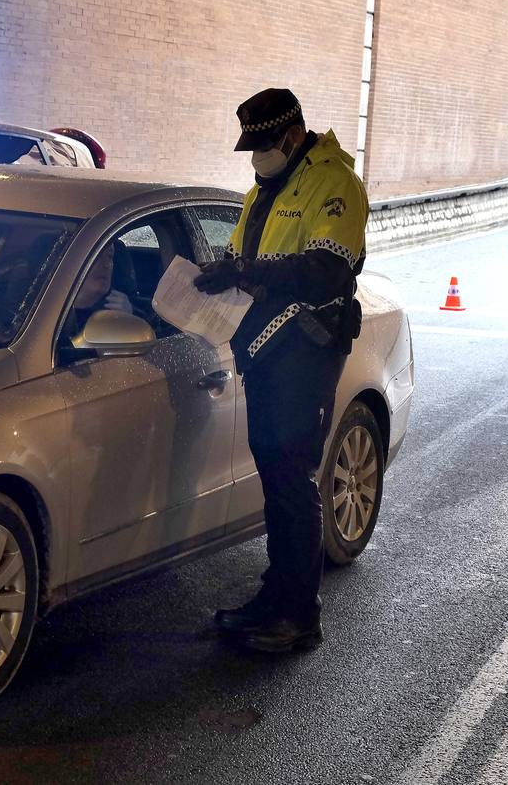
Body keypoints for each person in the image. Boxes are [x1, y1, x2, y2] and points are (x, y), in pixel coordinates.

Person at [194, 88, 369, 653]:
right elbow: (252, 261)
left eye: (264, 145)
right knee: (275, 475)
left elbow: (325, 271)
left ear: (291, 136)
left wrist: (249, 269)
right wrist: (225, 271)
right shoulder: (263, 191)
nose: (256, 156)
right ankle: (275, 598)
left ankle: (299, 615)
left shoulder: (335, 183)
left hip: (307, 351)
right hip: (265, 352)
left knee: (293, 479)